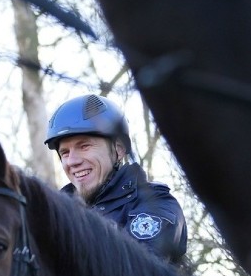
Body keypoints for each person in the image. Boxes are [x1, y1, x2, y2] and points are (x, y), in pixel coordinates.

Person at [45, 94, 188, 266]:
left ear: (118, 150)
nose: (73, 161)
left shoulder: (154, 204)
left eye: (84, 146)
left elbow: (136, 273)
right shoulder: (54, 215)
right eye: (65, 153)